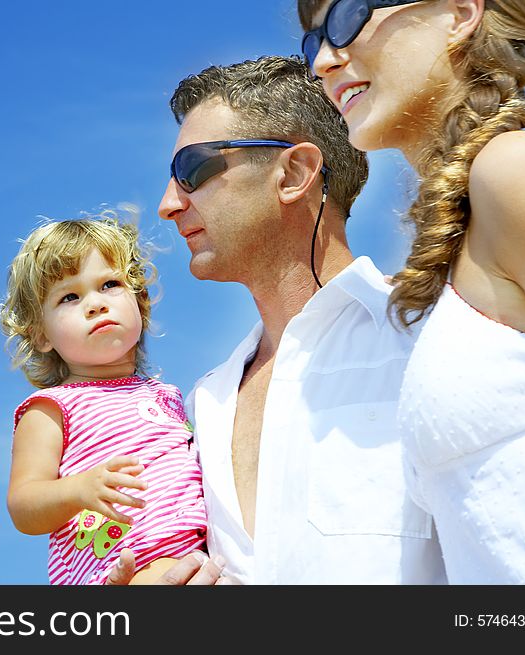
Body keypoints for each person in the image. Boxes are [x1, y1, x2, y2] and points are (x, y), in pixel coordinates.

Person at [108, 55, 446, 584]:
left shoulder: (436, 333)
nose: (168, 204)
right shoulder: (202, 406)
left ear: (294, 173)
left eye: (192, 170)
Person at [298, 0, 525, 583]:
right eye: (312, 41)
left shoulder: (516, 170)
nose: (323, 61)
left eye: (344, 18)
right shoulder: (458, 252)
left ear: (461, 13)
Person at [0, 215, 208, 585]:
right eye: (70, 297)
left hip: (202, 556)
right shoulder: (51, 408)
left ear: (140, 303)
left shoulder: (171, 397)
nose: (94, 304)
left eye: (110, 284)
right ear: (41, 335)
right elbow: (23, 506)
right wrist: (78, 489)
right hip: (124, 571)